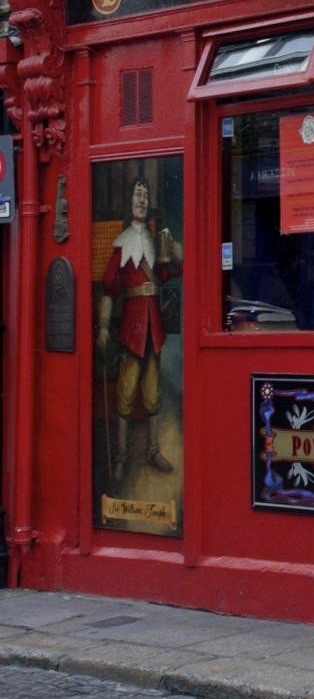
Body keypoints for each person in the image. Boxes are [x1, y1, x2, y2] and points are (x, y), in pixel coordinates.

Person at [97, 176, 179, 482]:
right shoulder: (121, 245)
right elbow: (108, 287)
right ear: (129, 202)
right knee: (126, 393)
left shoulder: (158, 240)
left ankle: (152, 449)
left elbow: (169, 272)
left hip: (153, 326)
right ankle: (120, 457)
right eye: (137, 194)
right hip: (132, 328)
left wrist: (173, 249)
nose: (141, 200)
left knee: (152, 392)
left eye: (145, 195)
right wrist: (104, 327)